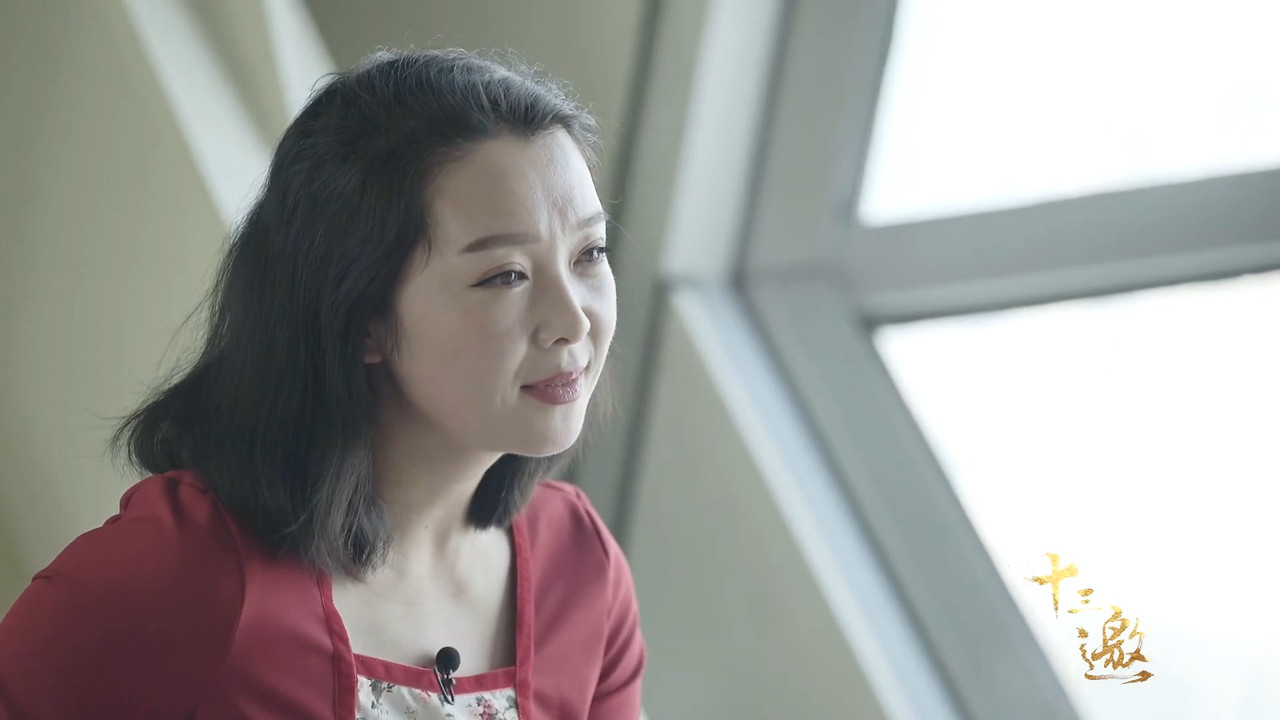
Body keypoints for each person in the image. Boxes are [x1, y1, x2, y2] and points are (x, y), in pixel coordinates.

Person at [0, 48, 644, 719]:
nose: (573, 320)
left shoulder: (580, 569)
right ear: (360, 316)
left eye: (590, 253)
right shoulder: (180, 576)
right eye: (504, 275)